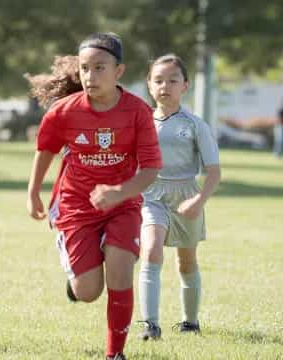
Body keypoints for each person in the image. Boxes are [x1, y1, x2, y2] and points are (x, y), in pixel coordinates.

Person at [27, 33, 162, 360]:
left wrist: (119, 192)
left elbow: (150, 169)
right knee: (88, 292)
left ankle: (115, 353)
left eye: (100, 68)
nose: (91, 76)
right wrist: (33, 193)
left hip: (123, 205)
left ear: (119, 71)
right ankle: (78, 279)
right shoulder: (65, 111)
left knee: (119, 270)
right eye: (85, 68)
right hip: (75, 205)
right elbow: (45, 150)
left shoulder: (138, 112)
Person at [138, 54, 221, 340]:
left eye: (173, 80)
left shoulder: (196, 124)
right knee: (150, 250)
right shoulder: (141, 122)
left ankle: (190, 322)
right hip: (152, 195)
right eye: (158, 80)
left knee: (186, 262)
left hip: (186, 195)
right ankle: (150, 325)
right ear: (149, 85)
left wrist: (199, 201)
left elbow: (213, 172)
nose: (165, 86)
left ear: (185, 85)